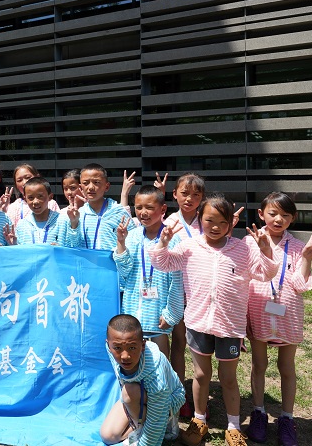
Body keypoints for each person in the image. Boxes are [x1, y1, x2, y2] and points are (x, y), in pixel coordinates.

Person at [150, 193, 279, 446]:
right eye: (210, 220)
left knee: (228, 378)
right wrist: (163, 243)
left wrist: (266, 251)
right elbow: (163, 263)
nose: (216, 227)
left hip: (229, 326)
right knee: (201, 374)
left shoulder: (242, 249)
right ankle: (199, 420)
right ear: (200, 218)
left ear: (231, 223)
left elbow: (265, 274)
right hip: (198, 322)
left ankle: (233, 426)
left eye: (223, 222)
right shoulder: (189, 246)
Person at [246, 193, 312, 446]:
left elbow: (300, 285)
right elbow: (245, 279)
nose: (278, 219)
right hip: (258, 312)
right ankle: (258, 412)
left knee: (287, 367)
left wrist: (308, 257)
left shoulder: (298, 247)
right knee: (259, 364)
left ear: (293, 218)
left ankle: (287, 418)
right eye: (273, 213)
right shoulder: (250, 242)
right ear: (261, 214)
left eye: (285, 215)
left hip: (288, 315)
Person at [113, 187, 183, 361]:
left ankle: (161, 379)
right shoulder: (132, 236)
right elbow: (124, 271)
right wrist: (121, 243)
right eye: (138, 207)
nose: (143, 212)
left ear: (163, 209)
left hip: (158, 309)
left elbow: (177, 281)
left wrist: (171, 314)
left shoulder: (172, 238)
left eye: (149, 207)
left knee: (160, 357)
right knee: (133, 352)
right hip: (134, 306)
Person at [100, 314, 185, 446]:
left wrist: (146, 443)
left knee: (130, 392)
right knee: (108, 436)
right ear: (108, 345)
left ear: (143, 345)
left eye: (132, 348)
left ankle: (166, 424)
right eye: (117, 348)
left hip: (166, 401)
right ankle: (138, 425)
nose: (125, 356)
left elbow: (157, 418)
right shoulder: (111, 348)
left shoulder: (156, 374)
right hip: (136, 397)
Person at [161, 172, 205, 416]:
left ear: (202, 198)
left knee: (197, 348)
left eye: (195, 195)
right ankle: (180, 394)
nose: (189, 199)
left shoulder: (207, 221)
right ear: (175, 194)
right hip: (176, 291)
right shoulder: (167, 222)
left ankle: (197, 393)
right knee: (178, 343)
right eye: (184, 193)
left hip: (199, 291)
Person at [77, 163, 137, 251]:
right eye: (85, 183)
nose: (90, 187)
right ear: (80, 187)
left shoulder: (119, 212)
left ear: (107, 186)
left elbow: (133, 242)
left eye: (96, 182)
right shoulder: (78, 215)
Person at [4, 177, 79, 247]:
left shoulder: (62, 221)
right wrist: (14, 245)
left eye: (40, 196)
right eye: (30, 198)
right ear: (25, 199)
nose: (35, 201)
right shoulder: (22, 225)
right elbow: (21, 251)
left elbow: (73, 246)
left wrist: (60, 249)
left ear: (50, 197)